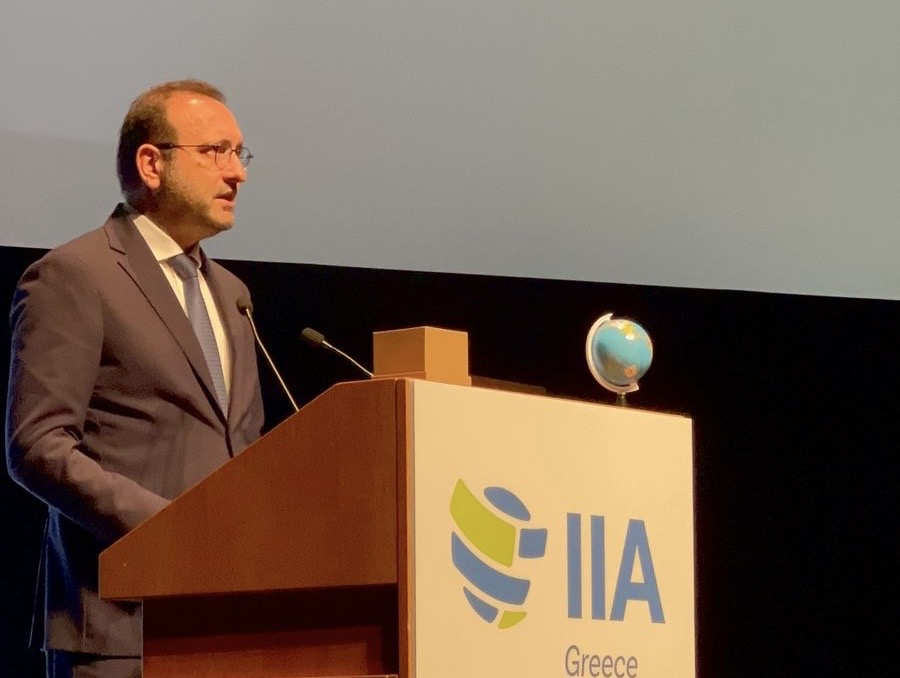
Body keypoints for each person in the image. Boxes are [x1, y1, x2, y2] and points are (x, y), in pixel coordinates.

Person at [5, 79, 265, 678]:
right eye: (216, 152)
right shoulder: (75, 275)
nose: (237, 173)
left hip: (233, 622)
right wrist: (167, 530)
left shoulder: (232, 295)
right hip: (122, 628)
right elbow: (36, 446)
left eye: (239, 153)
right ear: (152, 163)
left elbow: (242, 445)